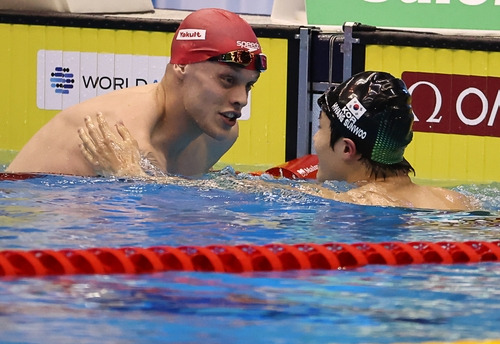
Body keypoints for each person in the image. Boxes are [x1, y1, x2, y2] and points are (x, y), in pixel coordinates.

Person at [77, 71, 477, 210]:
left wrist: (130, 176)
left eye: (322, 129)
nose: (316, 142)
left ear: (347, 148)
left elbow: (196, 202)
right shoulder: (454, 200)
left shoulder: (362, 201)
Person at [6, 8, 266, 177]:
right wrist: (131, 176)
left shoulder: (220, 136)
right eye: (227, 80)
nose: (241, 99)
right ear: (181, 66)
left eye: (248, 85)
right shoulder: (121, 133)